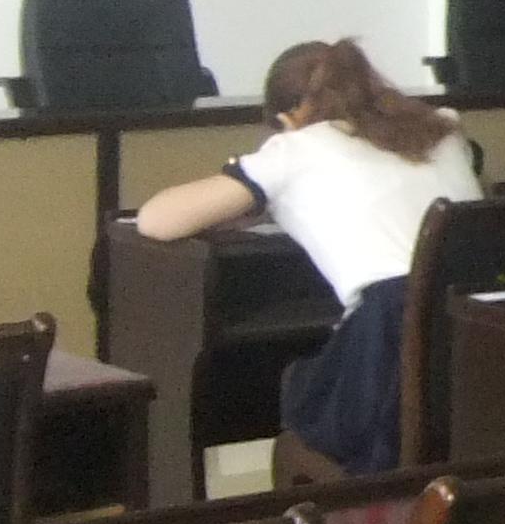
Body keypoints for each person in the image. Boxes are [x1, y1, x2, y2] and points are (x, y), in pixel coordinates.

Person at [134, 37, 483, 471]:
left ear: (287, 117)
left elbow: (156, 219)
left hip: (392, 341)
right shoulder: (444, 127)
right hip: (478, 334)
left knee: (296, 390)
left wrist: (261, 188)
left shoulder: (296, 148)